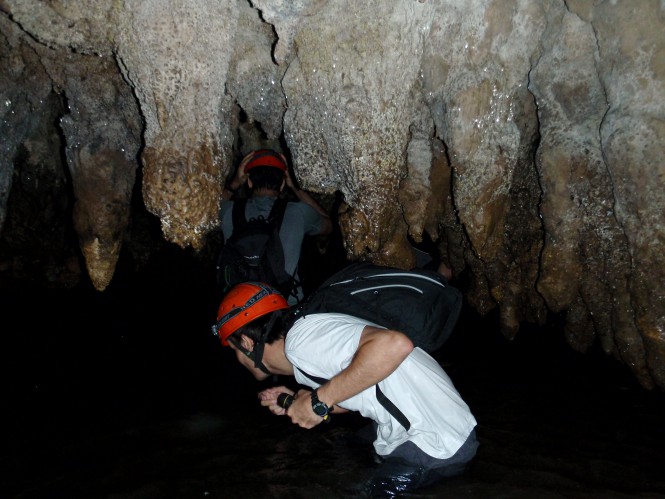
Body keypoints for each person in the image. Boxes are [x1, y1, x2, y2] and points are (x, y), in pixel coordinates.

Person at [211, 281, 479, 497]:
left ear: (246, 343)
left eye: (234, 350)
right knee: (349, 445)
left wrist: (317, 402)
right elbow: (354, 390)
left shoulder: (301, 341)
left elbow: (395, 344)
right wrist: (298, 400)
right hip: (442, 428)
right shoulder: (304, 347)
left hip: (435, 443)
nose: (237, 359)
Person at [220, 149, 332, 304]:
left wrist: (234, 184)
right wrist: (295, 188)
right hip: (285, 305)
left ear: (249, 182)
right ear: (282, 184)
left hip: (239, 307)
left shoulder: (228, 211)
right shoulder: (298, 212)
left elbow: (202, 215)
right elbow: (328, 224)